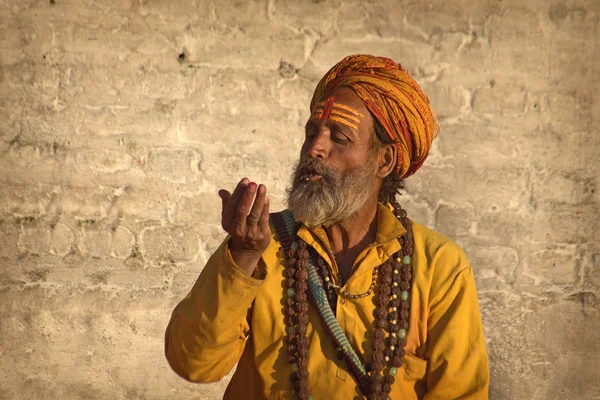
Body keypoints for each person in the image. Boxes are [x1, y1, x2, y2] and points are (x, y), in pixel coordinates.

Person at [164, 54, 489, 399]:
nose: (315, 148)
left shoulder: (439, 267)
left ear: (385, 160)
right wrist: (242, 257)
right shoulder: (262, 247)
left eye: (340, 138)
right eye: (311, 132)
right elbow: (193, 363)